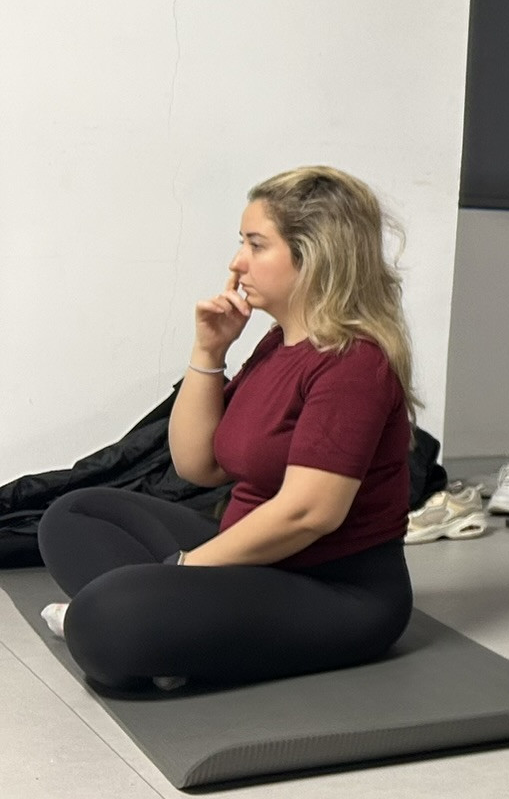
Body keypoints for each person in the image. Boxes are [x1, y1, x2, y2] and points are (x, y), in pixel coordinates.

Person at [34, 167, 416, 691]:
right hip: (247, 558)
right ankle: (173, 633)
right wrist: (209, 350)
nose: (237, 262)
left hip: (334, 590)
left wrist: (181, 570)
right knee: (73, 514)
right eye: (242, 243)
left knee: (104, 621)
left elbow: (308, 514)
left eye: (256, 245)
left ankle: (155, 626)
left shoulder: (353, 363)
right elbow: (198, 464)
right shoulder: (277, 343)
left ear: (315, 254)